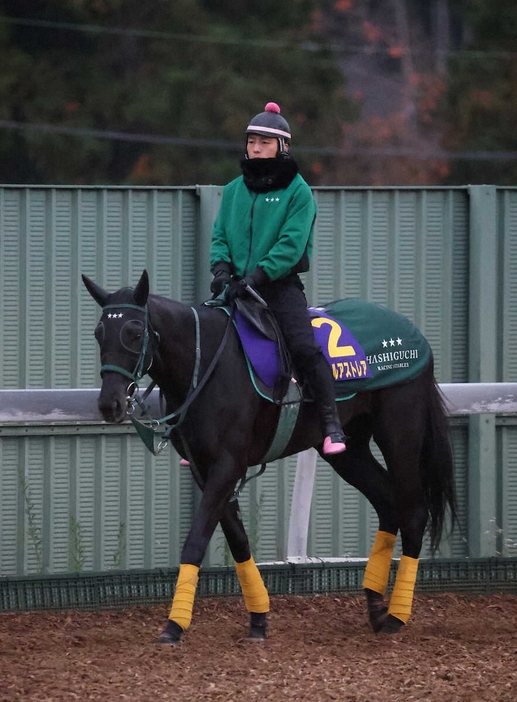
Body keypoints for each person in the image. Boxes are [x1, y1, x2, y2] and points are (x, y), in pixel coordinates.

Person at [210, 102, 346, 455]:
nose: (255, 148)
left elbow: (290, 246)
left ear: (282, 147)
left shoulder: (299, 192)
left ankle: (332, 424)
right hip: (237, 285)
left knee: (303, 347)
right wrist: (221, 269)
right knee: (206, 342)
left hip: (279, 287)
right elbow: (220, 236)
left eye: (264, 142)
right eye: (251, 141)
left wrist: (257, 275)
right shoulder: (233, 190)